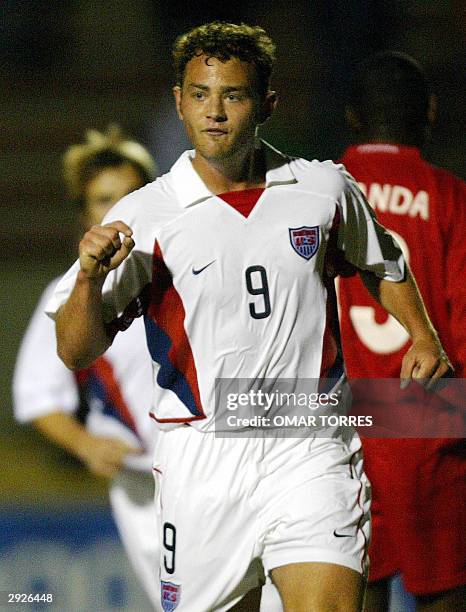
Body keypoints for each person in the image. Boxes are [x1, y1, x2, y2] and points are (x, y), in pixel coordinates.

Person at [47, 23, 451, 612]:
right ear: (179, 103)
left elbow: (383, 261)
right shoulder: (146, 216)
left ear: (266, 104)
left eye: (232, 95)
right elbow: (74, 350)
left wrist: (423, 333)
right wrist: (87, 278)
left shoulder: (322, 188)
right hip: (204, 456)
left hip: (310, 443)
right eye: (200, 94)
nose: (215, 112)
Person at [337, 52, 466, 611]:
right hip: (432, 419)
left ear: (351, 118)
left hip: (341, 424)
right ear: (430, 112)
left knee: (355, 590)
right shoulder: (451, 197)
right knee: (444, 592)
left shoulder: (314, 193)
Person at [13, 126, 161, 606]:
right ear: (85, 213)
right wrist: (84, 443)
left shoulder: (191, 271)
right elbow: (37, 395)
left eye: (131, 196)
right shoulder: (68, 295)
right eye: (103, 200)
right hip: (144, 485)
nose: (118, 211)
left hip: (222, 470)